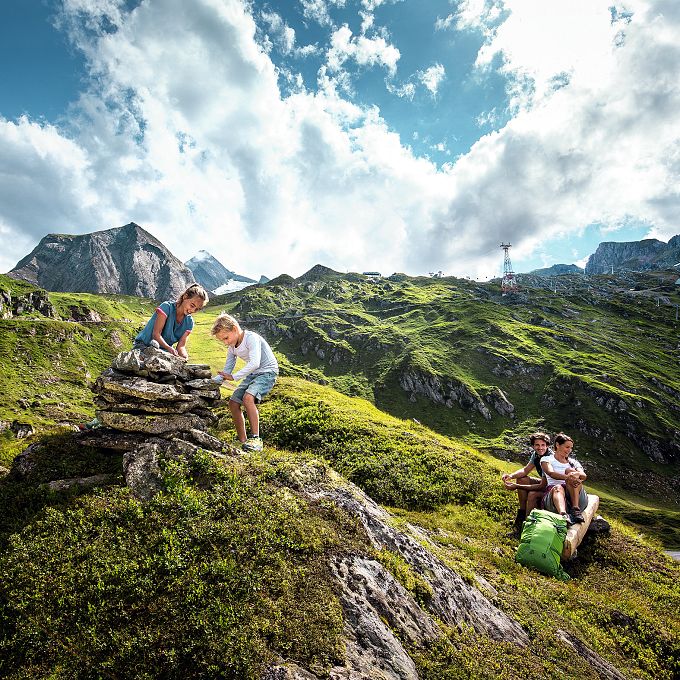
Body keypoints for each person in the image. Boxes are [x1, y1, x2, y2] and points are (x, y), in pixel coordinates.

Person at [211, 313, 278, 452]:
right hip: (253, 374)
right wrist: (211, 382)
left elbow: (255, 363)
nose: (225, 342)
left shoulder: (251, 338)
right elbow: (227, 369)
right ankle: (242, 440)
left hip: (267, 372)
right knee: (233, 402)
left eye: (226, 338)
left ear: (235, 329)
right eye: (222, 340)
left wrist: (234, 377)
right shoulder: (232, 347)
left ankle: (256, 439)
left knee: (248, 398)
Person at [133, 283, 209, 359]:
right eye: (192, 305)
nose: (192, 310)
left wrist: (184, 356)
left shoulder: (189, 323)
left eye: (196, 309)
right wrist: (168, 348)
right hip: (143, 346)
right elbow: (156, 334)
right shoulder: (166, 307)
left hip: (164, 352)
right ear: (185, 297)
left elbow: (181, 346)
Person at [502, 432, 551, 535]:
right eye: (537, 445)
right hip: (545, 484)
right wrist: (510, 476)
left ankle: (525, 526)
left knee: (532, 494)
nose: (540, 448)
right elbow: (525, 470)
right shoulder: (536, 455)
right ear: (533, 446)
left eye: (543, 445)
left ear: (547, 446)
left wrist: (516, 486)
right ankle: (521, 514)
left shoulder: (549, 459)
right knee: (522, 479)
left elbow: (542, 485)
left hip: (552, 488)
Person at [540, 432, 588, 526]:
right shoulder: (546, 459)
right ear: (557, 445)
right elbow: (551, 473)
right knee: (559, 486)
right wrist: (567, 477)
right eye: (567, 447)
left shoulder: (573, 462)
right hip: (555, 496)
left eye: (571, 448)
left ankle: (575, 509)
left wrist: (575, 475)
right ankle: (563, 515)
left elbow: (584, 475)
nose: (569, 450)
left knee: (570, 470)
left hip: (576, 497)